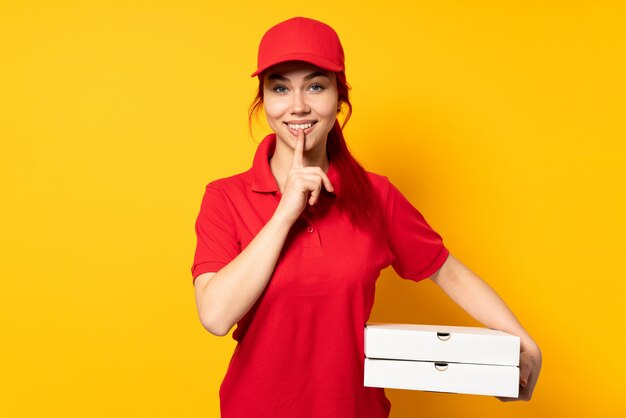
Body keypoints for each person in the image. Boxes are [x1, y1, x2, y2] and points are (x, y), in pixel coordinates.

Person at [191, 16, 541, 418]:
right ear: (264, 100)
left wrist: (521, 340)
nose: (298, 105)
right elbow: (215, 316)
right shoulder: (225, 198)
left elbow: (447, 270)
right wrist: (284, 214)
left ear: (340, 97)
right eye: (281, 87)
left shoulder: (377, 196)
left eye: (317, 86)